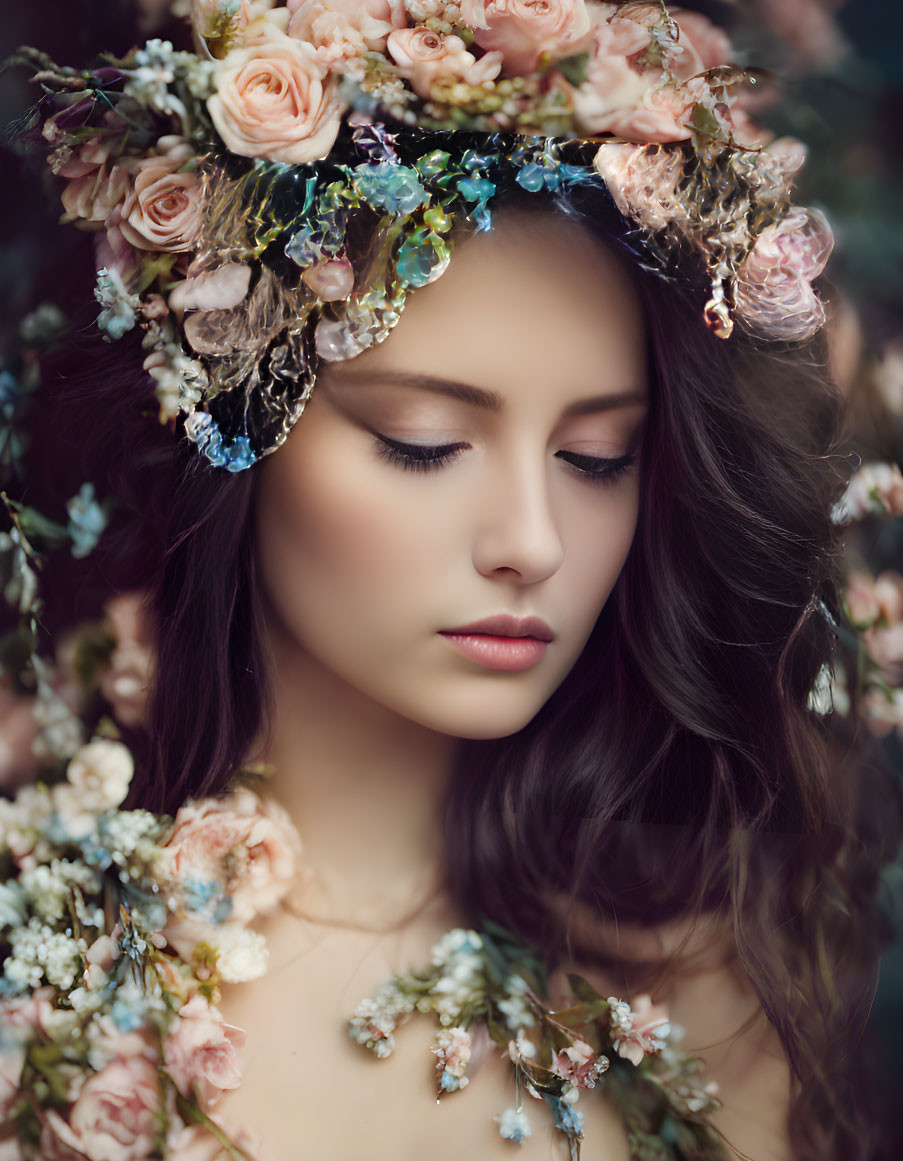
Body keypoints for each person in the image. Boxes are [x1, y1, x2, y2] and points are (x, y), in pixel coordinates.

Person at [0, 3, 895, 1160]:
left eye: (596, 459)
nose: (533, 541)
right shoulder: (50, 973)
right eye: (423, 442)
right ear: (237, 435)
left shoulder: (705, 995)